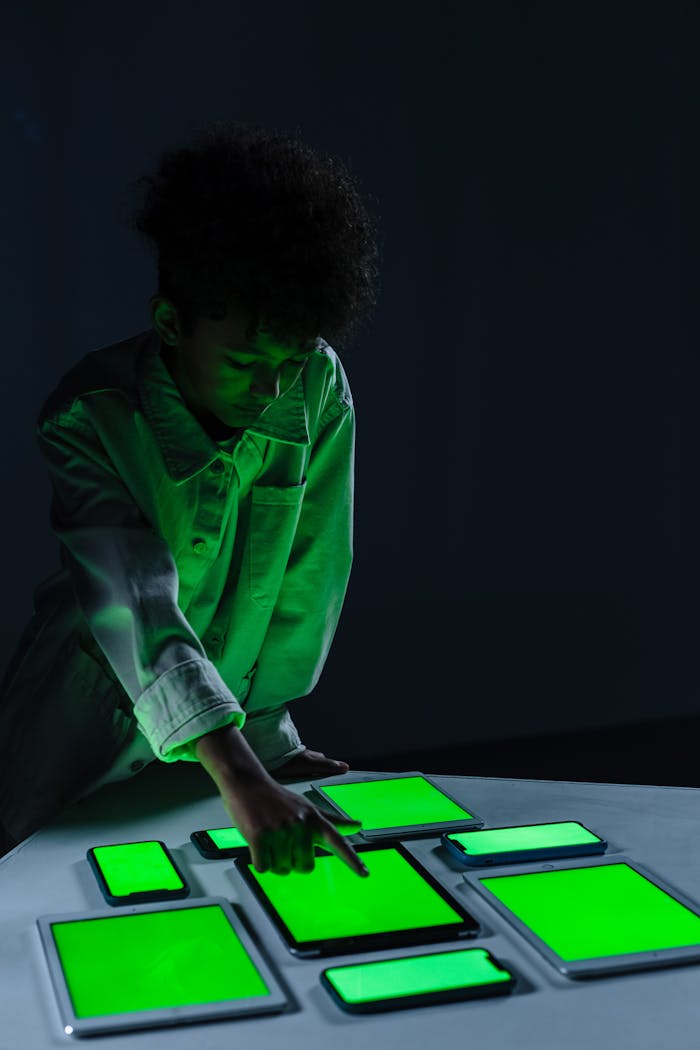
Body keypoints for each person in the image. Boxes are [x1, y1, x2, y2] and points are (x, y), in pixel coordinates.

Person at [0, 119, 381, 875]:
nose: (270, 390)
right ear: (170, 323)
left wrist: (268, 744)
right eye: (243, 361)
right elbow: (133, 604)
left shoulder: (316, 387)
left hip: (234, 744)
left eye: (287, 359)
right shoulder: (89, 414)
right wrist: (240, 771)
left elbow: (308, 584)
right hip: (81, 728)